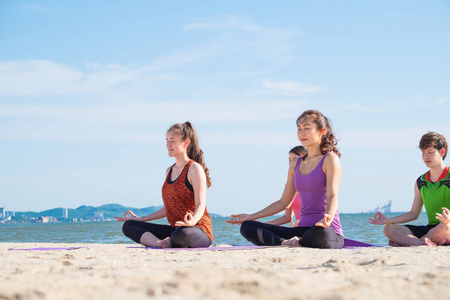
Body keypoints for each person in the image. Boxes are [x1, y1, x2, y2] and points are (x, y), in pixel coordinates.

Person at [226, 110, 344, 249]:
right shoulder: (295, 164)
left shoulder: (329, 159)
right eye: (299, 129)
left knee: (320, 234)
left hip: (324, 229)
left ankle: (298, 241)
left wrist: (328, 217)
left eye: (306, 128)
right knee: (247, 227)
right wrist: (250, 216)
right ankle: (286, 242)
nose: (301, 133)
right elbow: (283, 202)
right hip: (302, 229)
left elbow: (332, 195)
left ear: (321, 131)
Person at [115, 122, 214, 248]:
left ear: (186, 143)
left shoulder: (194, 168)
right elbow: (169, 208)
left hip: (197, 229)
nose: (168, 145)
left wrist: (192, 221)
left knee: (181, 233)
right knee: (129, 226)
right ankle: (160, 243)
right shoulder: (169, 171)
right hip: (175, 229)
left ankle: (171, 240)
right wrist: (141, 219)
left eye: (172, 140)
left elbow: (200, 204)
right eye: (167, 141)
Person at [369, 132, 450, 247]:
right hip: (430, 229)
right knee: (389, 229)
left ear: (442, 152)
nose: (426, 156)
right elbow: (413, 213)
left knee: (444, 226)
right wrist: (388, 220)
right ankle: (422, 243)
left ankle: (412, 243)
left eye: (430, 152)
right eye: (423, 153)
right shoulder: (420, 182)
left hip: (447, 227)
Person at [266, 146, 307, 226]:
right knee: (250, 228)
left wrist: (303, 223)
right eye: (289, 160)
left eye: (294, 159)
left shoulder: (314, 182)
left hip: (314, 229)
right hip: (299, 229)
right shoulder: (290, 185)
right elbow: (287, 217)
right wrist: (262, 225)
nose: (291, 163)